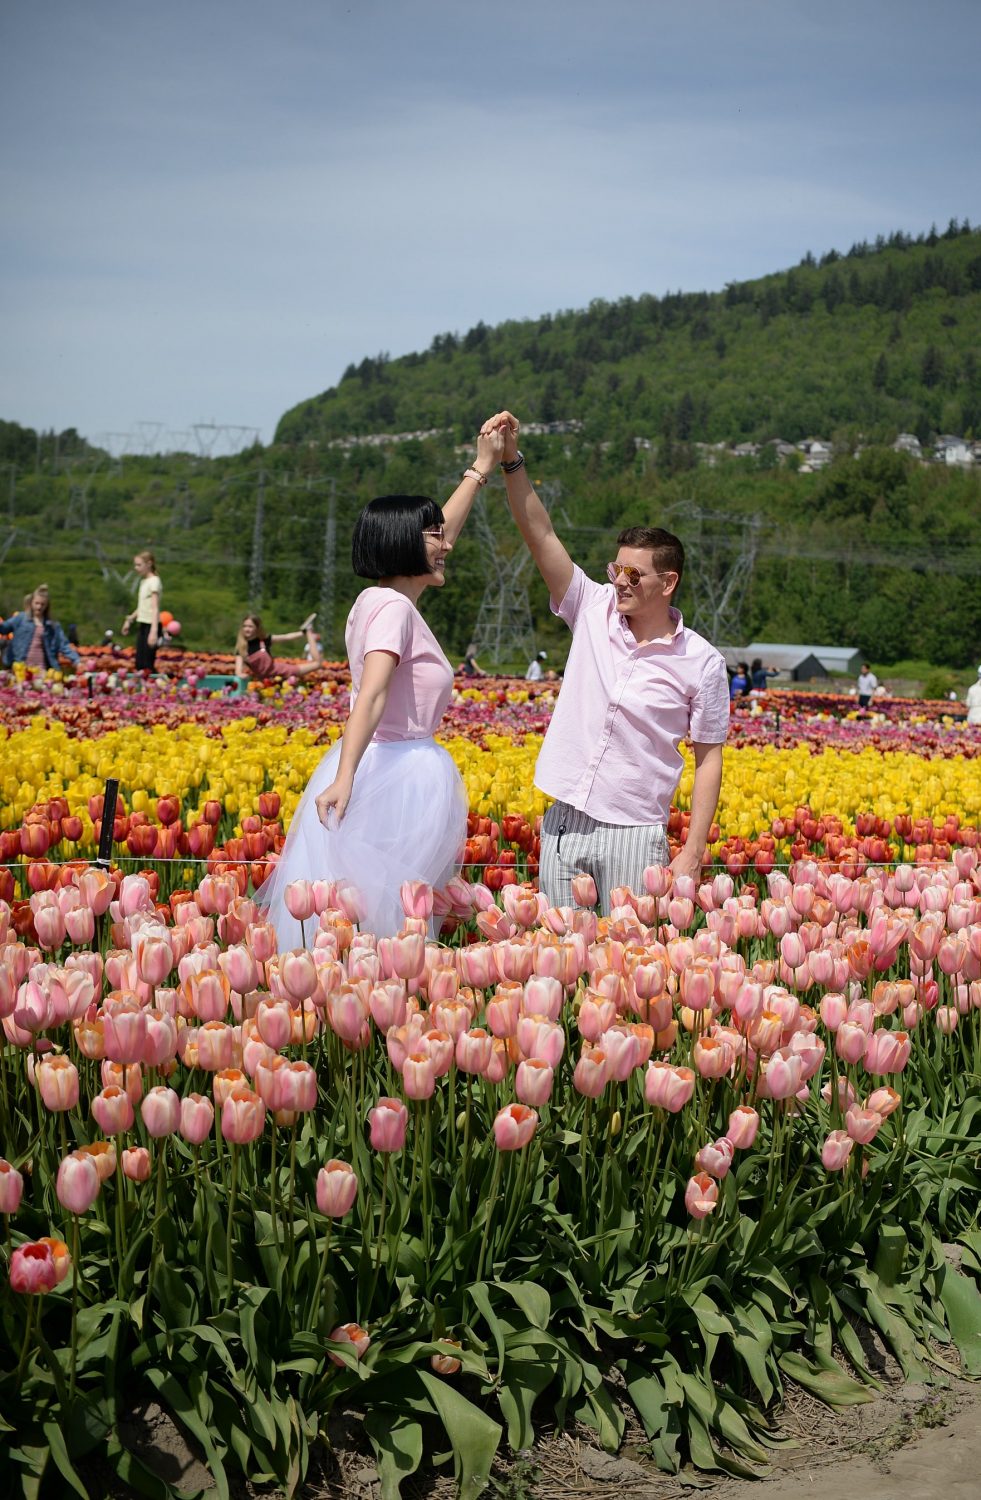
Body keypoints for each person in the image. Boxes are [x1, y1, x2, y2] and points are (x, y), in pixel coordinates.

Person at [258, 426, 506, 946]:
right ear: (401, 542)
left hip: (379, 761)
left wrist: (479, 470)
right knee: (388, 918)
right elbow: (371, 693)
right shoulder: (393, 608)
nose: (446, 544)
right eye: (433, 536)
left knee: (373, 911)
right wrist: (346, 777)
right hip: (397, 772)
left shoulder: (380, 600)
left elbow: (447, 536)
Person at [480, 410, 729, 913]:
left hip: (635, 834)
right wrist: (512, 462)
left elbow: (708, 758)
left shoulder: (701, 662)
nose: (620, 581)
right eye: (617, 569)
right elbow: (541, 535)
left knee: (626, 975)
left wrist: (695, 849)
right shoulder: (591, 609)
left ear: (669, 582)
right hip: (564, 823)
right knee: (560, 972)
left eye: (636, 575)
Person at [0, 585, 80, 673]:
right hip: (20, 668)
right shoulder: (20, 618)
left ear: (46, 606)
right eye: (37, 603)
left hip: (42, 670)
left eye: (42, 604)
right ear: (31, 603)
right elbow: (4, 628)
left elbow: (64, 645)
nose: (39, 607)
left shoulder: (52, 626)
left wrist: (77, 661)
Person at [234, 613, 320, 681]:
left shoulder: (264, 640)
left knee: (317, 664)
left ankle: (309, 632)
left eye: (250, 626)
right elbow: (238, 671)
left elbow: (286, 637)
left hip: (281, 671)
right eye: (244, 626)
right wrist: (241, 675)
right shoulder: (241, 648)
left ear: (257, 628)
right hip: (265, 681)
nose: (247, 629)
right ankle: (308, 631)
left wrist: (304, 633)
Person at [121, 552, 162, 671]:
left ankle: (154, 687)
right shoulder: (144, 582)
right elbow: (142, 606)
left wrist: (153, 631)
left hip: (151, 625)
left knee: (146, 663)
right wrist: (130, 620)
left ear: (149, 564)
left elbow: (155, 607)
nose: (136, 568)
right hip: (143, 624)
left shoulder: (154, 581)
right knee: (139, 662)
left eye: (139, 565)